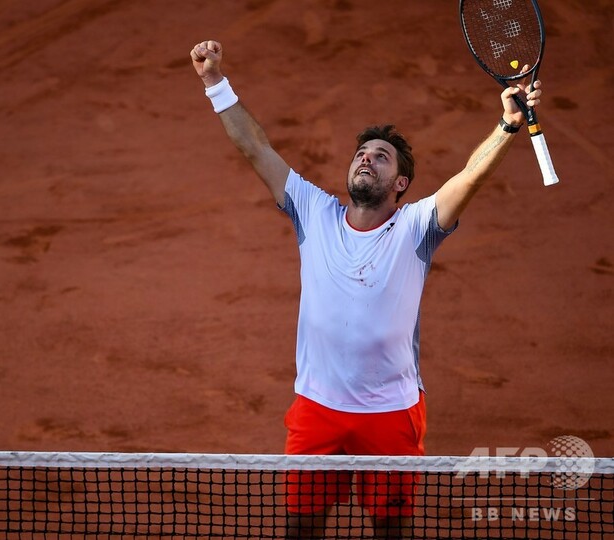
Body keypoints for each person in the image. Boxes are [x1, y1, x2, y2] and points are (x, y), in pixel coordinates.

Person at [190, 39, 543, 539]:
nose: (366, 160)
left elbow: (470, 178)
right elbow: (256, 148)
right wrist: (214, 82)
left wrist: (507, 125)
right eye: (361, 153)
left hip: (391, 413)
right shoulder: (313, 210)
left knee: (390, 530)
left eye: (381, 157)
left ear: (400, 184)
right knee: (301, 529)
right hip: (316, 407)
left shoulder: (416, 226)